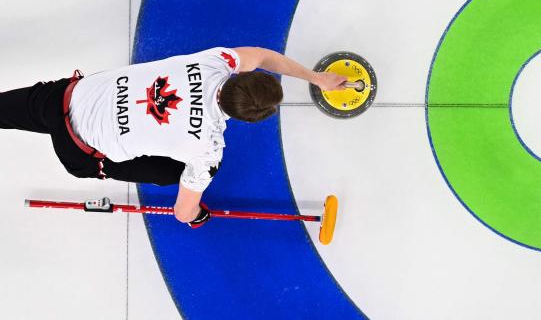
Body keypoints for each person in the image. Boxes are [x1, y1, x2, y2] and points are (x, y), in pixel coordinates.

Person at [1, 47, 346, 227]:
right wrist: (195, 215)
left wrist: (316, 77)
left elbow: (264, 56)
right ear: (248, 119)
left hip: (62, 99)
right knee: (171, 174)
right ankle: (104, 161)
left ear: (239, 77)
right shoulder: (208, 149)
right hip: (78, 152)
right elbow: (182, 212)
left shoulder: (216, 61)